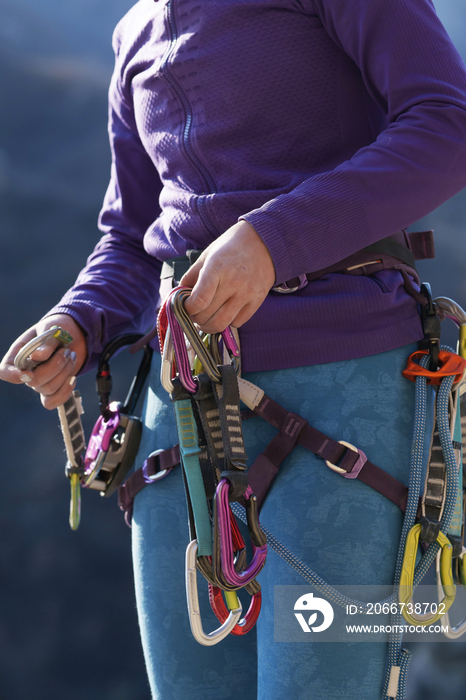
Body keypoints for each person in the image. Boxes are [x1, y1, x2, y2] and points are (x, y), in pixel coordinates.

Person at [2, 0, 466, 697]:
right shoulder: (134, 32)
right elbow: (132, 236)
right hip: (179, 425)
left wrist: (274, 240)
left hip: (352, 405)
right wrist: (80, 321)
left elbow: (447, 125)